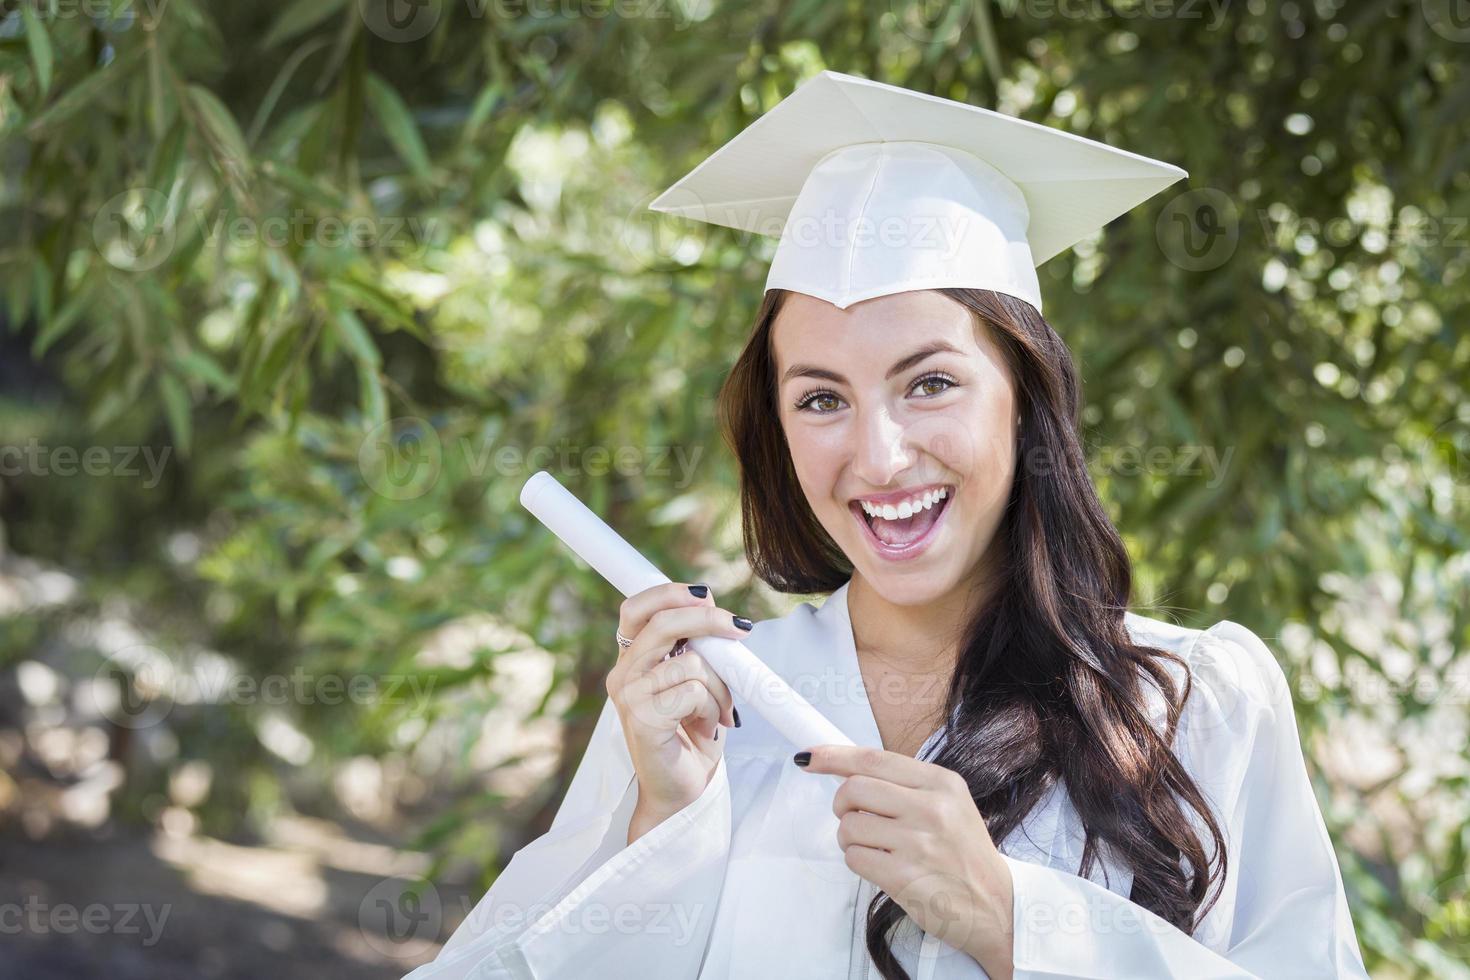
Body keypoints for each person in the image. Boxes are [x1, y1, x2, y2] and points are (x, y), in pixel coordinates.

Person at [404, 70, 1370, 979]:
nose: (879, 456)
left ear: (1026, 402)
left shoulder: (1196, 704)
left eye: (932, 383)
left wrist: (1008, 919)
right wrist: (663, 822)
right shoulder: (708, 713)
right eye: (821, 400)